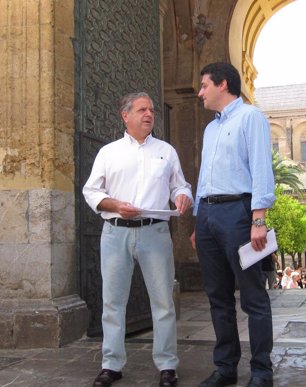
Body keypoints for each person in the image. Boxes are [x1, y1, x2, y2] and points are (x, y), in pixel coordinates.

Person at [83, 92, 193, 387]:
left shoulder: (166, 151)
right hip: (115, 233)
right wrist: (116, 205)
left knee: (163, 302)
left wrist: (183, 196)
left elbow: (180, 186)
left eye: (152, 110)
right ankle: (111, 364)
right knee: (113, 302)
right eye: (142, 109)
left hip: (155, 233)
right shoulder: (109, 153)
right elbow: (91, 192)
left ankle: (168, 365)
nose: (149, 114)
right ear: (126, 115)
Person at [190, 62, 276, 387]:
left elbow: (261, 168)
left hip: (240, 215)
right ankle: (225, 368)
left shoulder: (251, 117)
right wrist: (199, 221)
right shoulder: (210, 129)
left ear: (222, 84)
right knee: (218, 296)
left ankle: (261, 372)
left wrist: (258, 220)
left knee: (253, 296)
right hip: (209, 216)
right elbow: (203, 178)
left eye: (204, 86)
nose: (200, 92)